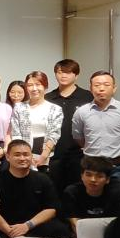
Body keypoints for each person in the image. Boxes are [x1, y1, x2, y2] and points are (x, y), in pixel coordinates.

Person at [71, 70, 120, 198]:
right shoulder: (81, 112)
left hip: (117, 167)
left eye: (106, 85)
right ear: (91, 88)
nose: (101, 88)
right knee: (89, 203)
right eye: (97, 85)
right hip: (91, 168)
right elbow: (78, 137)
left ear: (114, 88)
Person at [0, 140, 72, 238]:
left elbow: (51, 209)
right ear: (8, 157)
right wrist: (10, 232)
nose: (22, 158)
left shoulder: (43, 179)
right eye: (17, 155)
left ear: (31, 156)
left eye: (26, 154)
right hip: (8, 228)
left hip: (35, 226)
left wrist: (28, 225)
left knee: (62, 230)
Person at [45, 59, 94, 193]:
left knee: (78, 191)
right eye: (60, 72)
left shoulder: (87, 97)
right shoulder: (48, 98)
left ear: (76, 75)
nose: (63, 76)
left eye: (68, 72)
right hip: (54, 154)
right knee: (54, 191)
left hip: (79, 154)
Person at [10, 71, 63, 173]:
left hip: (45, 157)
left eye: (38, 84)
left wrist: (43, 156)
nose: (34, 88)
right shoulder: (19, 107)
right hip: (22, 156)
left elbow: (54, 134)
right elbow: (16, 134)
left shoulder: (55, 109)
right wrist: (24, 156)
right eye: (30, 85)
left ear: (45, 86)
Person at [61, 156, 120, 231]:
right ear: (82, 176)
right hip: (82, 231)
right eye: (88, 175)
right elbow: (74, 223)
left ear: (107, 180)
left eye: (99, 176)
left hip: (109, 231)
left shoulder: (116, 193)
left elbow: (118, 221)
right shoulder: (72, 192)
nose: (93, 180)